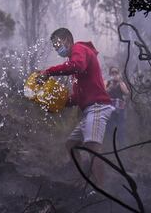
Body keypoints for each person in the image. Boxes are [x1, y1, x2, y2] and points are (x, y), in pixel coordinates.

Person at [37, 27, 114, 188]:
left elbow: (77, 65)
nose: (57, 49)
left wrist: (48, 72)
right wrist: (58, 104)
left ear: (67, 40)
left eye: (58, 44)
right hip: (89, 110)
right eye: (55, 47)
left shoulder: (79, 49)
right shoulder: (75, 62)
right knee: (71, 145)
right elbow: (78, 97)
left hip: (98, 107)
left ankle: (100, 189)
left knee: (92, 146)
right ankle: (85, 180)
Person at [104, 66, 129, 146]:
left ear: (118, 74)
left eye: (116, 72)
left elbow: (126, 92)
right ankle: (110, 147)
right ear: (110, 74)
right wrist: (111, 84)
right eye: (112, 72)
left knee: (121, 128)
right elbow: (103, 92)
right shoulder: (107, 82)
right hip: (109, 109)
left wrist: (120, 81)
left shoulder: (121, 83)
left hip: (120, 109)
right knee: (109, 128)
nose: (114, 74)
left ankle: (122, 148)